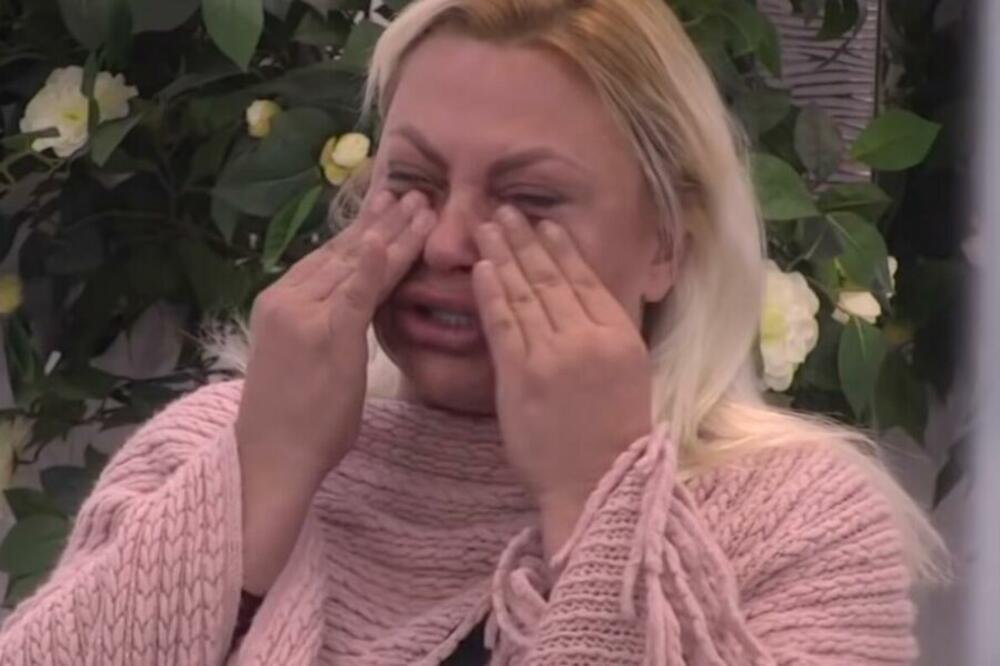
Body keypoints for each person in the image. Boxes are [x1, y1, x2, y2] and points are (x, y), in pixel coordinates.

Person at [0, 0, 946, 664]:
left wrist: (598, 501)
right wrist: (265, 469)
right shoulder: (213, 448)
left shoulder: (793, 524)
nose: (448, 243)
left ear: (667, 245)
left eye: (528, 201)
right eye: (411, 183)